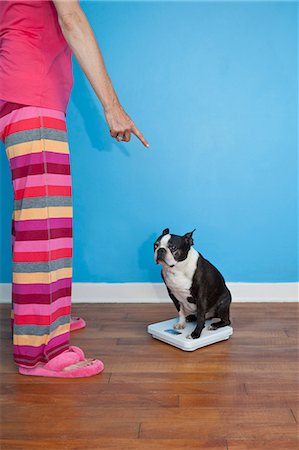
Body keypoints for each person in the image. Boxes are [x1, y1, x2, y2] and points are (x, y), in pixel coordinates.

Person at [0, 0, 149, 378]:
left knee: (35, 219)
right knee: (44, 224)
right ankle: (38, 351)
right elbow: (71, 18)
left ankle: (40, 315)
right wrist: (112, 107)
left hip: (20, 89)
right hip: (32, 92)